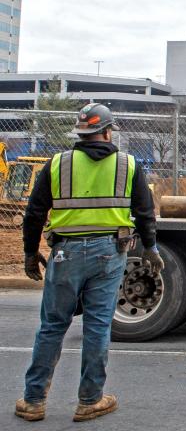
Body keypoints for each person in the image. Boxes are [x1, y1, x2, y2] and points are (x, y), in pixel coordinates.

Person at [16, 103, 161, 422]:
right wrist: (151, 248)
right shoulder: (128, 165)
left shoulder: (57, 165)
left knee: (53, 326)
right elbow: (145, 212)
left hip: (65, 254)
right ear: (108, 132)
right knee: (97, 326)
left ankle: (34, 400)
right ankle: (89, 400)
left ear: (80, 133)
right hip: (109, 253)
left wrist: (30, 253)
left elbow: (34, 213)